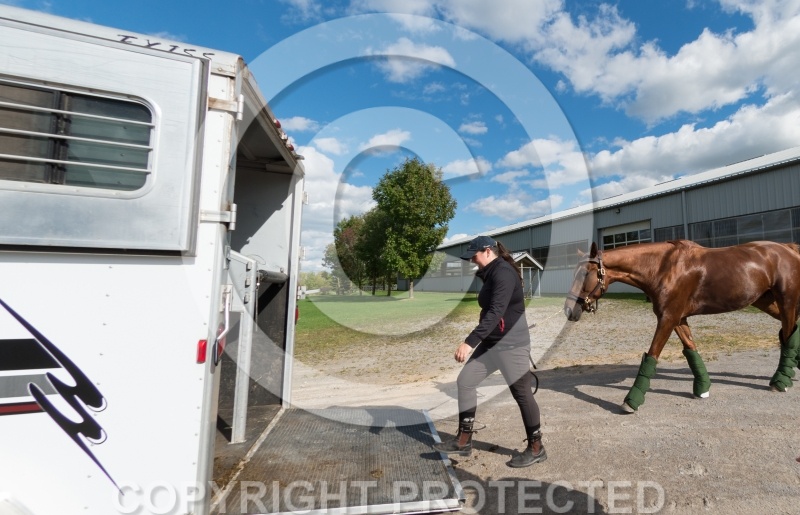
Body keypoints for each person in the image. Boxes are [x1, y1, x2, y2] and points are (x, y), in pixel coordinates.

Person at [432, 235, 546, 468]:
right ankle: (464, 440)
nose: (472, 260)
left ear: (487, 251)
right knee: (465, 381)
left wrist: (469, 342)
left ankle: (536, 448)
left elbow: (496, 311)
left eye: (474, 256)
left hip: (512, 345)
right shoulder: (491, 272)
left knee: (522, 395)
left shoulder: (503, 273)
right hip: (492, 344)